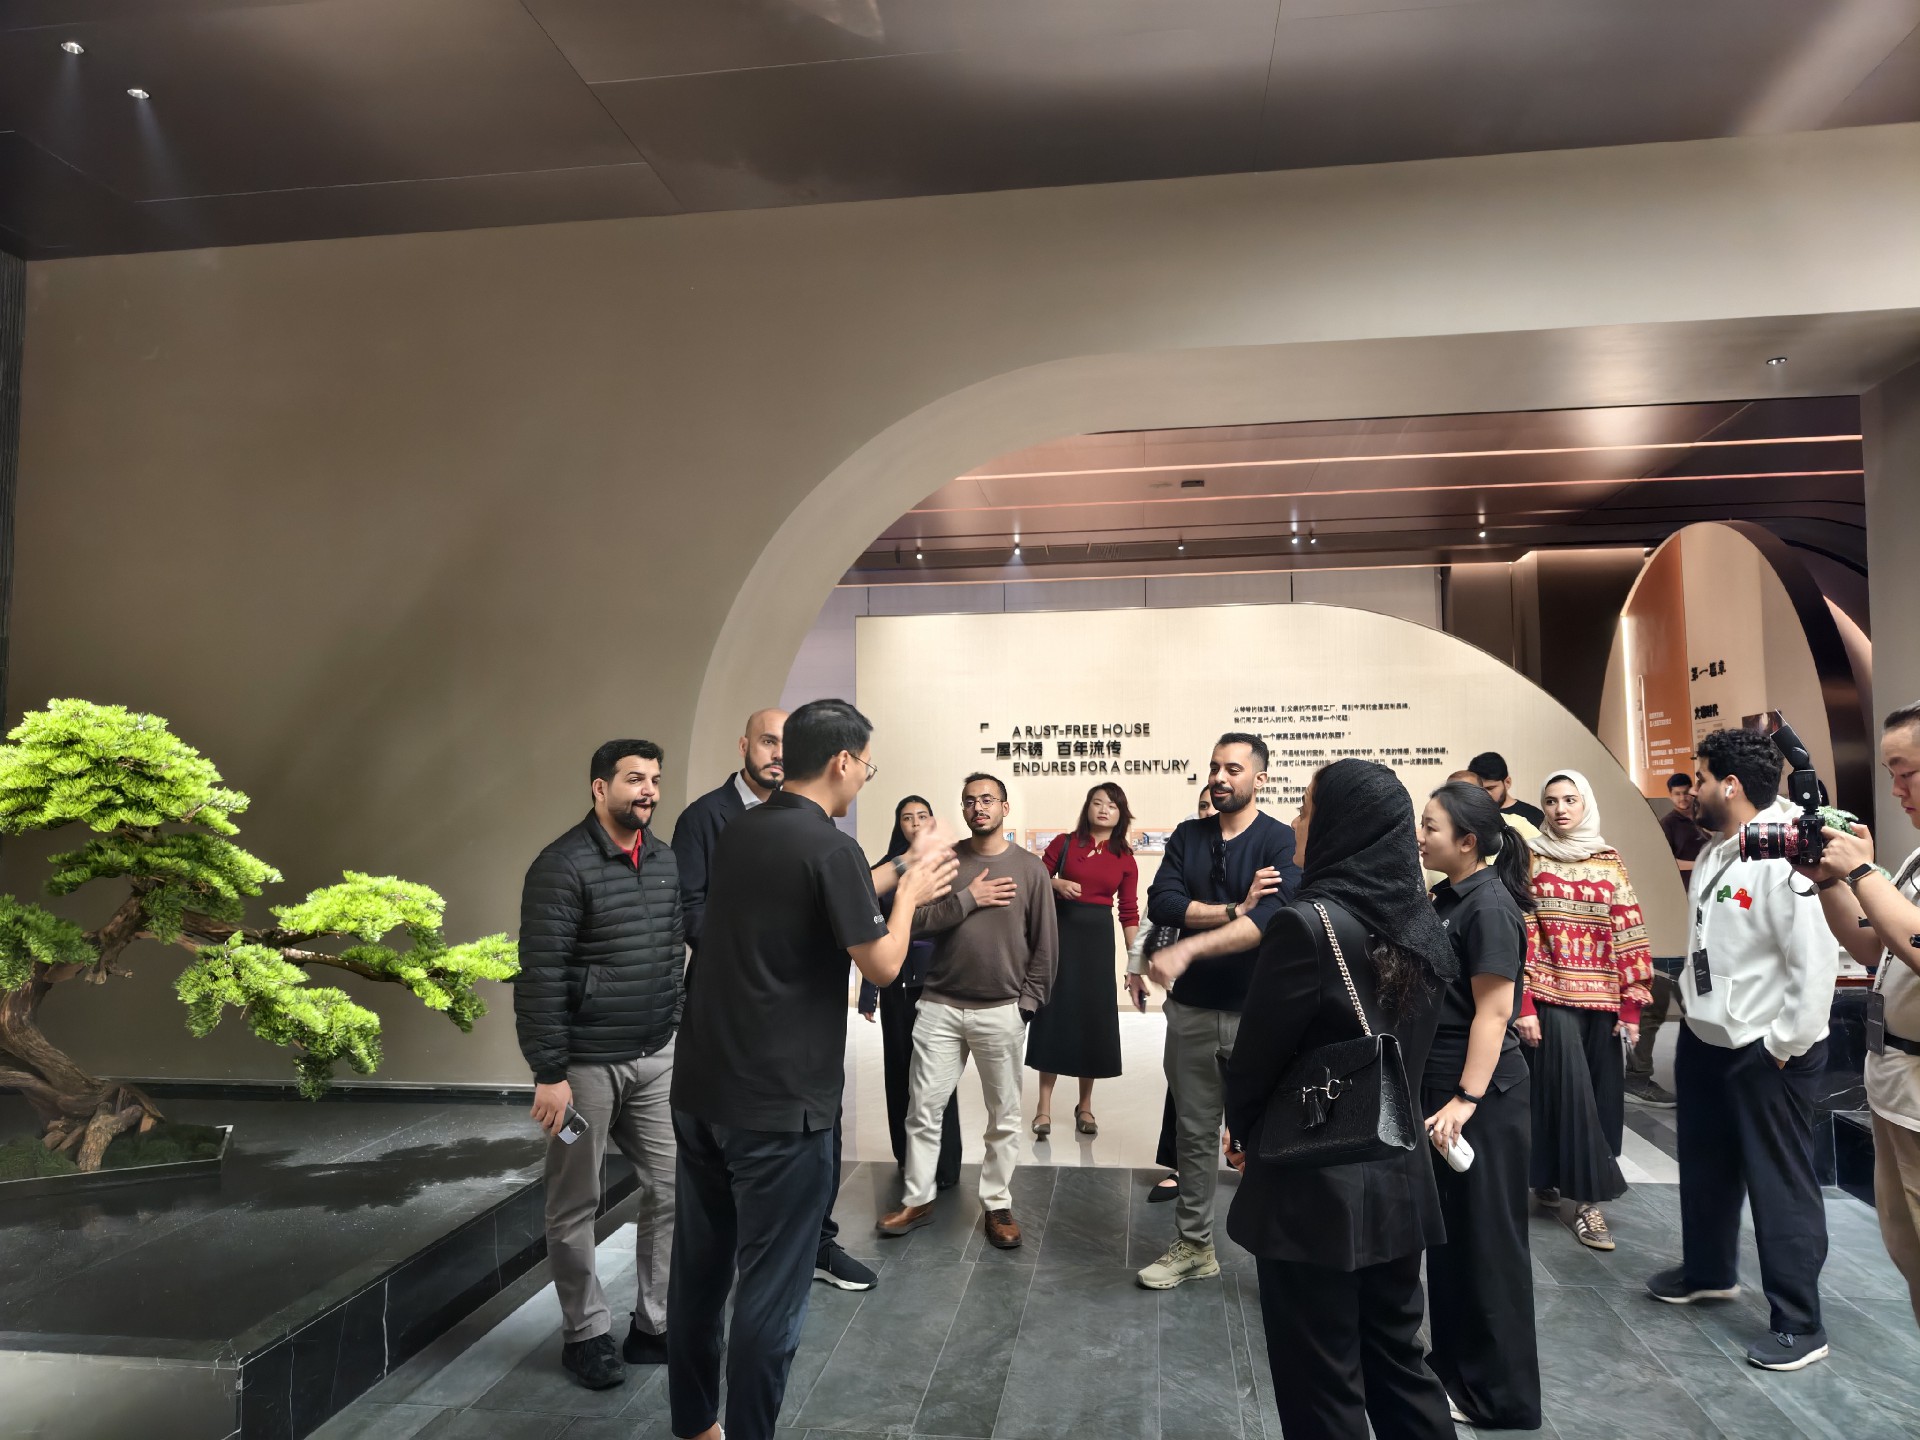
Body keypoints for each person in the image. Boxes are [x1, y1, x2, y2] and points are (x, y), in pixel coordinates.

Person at [666, 699, 956, 1440]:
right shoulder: (829, 848)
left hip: (701, 1085)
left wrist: (899, 866)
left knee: (700, 1271)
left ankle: (696, 1424)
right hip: (779, 1105)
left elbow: (820, 899)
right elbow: (882, 965)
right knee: (771, 1293)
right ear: (842, 761)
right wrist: (911, 894)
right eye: (866, 767)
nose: (863, 778)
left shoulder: (737, 829)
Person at [1222, 759, 1457, 1440]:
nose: (1296, 821)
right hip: (1398, 1172)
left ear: (1340, 825)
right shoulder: (1419, 921)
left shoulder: (1308, 925)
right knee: (1397, 1361)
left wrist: (1244, 1133)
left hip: (1314, 1179)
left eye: (1305, 808)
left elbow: (1257, 1060)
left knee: (1320, 1379)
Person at [1644, 727, 1838, 1371]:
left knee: (1780, 1183)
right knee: (1704, 1165)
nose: (1690, 790)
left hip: (1767, 1047)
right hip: (1708, 1037)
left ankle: (1800, 1323)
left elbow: (1815, 963)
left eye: (1699, 778)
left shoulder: (1790, 853)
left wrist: (1784, 1045)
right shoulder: (1716, 849)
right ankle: (1707, 1271)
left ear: (1729, 785)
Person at [670, 707, 874, 1292]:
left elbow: (809, 897)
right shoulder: (717, 821)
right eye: (767, 741)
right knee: (767, 1279)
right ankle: (789, 1253)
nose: (777, 753)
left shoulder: (780, 833)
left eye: (786, 742)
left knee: (711, 1266)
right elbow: (694, 910)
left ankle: (817, 1243)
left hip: (769, 1053)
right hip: (752, 1054)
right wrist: (908, 893)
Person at [515, 740, 684, 1390]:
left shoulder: (663, 860)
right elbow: (541, 975)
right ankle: (584, 1334)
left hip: (655, 1058)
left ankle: (654, 1325)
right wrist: (549, 1072)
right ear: (599, 788)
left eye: (655, 780)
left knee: (674, 1186)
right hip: (584, 1069)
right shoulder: (561, 865)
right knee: (574, 1200)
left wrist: (673, 1020)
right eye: (635, 779)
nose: (649, 791)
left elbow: (672, 951)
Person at [1137, 734, 1299, 1288]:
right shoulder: (1189, 835)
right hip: (1192, 1011)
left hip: (1259, 1014)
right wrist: (1234, 907)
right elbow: (1163, 902)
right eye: (1214, 768)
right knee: (1196, 1134)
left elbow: (1272, 918)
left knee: (1272, 1136)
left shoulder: (1280, 839)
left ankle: (1284, 1252)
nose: (1219, 778)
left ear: (1260, 778)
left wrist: (1196, 932)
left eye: (1233, 768)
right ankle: (1194, 1246)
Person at [877, 773, 1057, 1249]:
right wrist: (967, 900)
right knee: (923, 1110)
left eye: (987, 799)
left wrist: (1027, 1005)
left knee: (1003, 1116)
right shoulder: (946, 861)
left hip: (1002, 1009)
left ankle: (997, 1204)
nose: (979, 807)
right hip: (939, 1005)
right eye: (970, 801)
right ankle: (918, 1198)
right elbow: (913, 922)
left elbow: (1045, 945)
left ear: (1004, 808)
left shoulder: (1030, 869)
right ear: (962, 809)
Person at [1417, 781, 1542, 1430]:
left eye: (1431, 827)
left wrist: (1465, 1098)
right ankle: (1455, 1372)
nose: (1420, 837)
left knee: (1488, 1246)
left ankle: (1500, 1397)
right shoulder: (1449, 896)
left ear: (1467, 841)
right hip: (1446, 1093)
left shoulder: (1489, 907)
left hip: (1479, 1101)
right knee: (1454, 1243)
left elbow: (1494, 1014)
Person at [1796, 701, 1920, 1330]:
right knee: (1908, 1251)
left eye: (1907, 773)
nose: (1896, 791)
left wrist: (1863, 870)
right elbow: (1873, 946)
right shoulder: (1917, 860)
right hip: (1894, 1087)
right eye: (1891, 775)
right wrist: (1828, 881)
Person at [1519, 769, 1652, 1251]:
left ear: (1585, 803)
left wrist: (1631, 1007)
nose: (1560, 809)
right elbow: (1522, 931)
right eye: (1551, 800)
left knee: (1599, 1097)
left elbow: (1628, 927)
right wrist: (1524, 1003)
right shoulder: (1529, 857)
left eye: (1570, 799)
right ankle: (1587, 1204)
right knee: (1566, 1094)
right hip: (1550, 995)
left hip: (1604, 1000)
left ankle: (1554, 1179)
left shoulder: (1608, 860)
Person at [857, 795, 962, 1190]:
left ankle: (945, 1166)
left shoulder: (949, 863)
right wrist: (869, 992)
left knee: (939, 1075)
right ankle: (907, 1158)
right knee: (900, 1071)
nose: (915, 823)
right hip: (897, 983)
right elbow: (870, 932)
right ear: (898, 825)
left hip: (939, 983)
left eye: (922, 816)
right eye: (907, 817)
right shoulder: (885, 869)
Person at [1029, 783, 1140, 1138]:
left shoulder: (1125, 858)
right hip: (1060, 937)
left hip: (1097, 942)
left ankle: (1085, 1105)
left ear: (1121, 814)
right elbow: (1035, 878)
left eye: (1112, 805)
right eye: (1097, 803)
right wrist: (1057, 885)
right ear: (1087, 808)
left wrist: (1134, 962)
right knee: (1053, 1016)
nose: (1104, 809)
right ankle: (1043, 1107)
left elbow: (1128, 912)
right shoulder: (1064, 843)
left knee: (1092, 1019)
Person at [1140, 790, 1216, 1204]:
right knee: (1186, 1089)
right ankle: (1181, 1166)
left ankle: (1249, 1161)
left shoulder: (1265, 844)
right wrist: (1137, 964)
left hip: (1243, 988)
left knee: (1245, 1087)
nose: (1209, 810)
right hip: (1189, 988)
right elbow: (1159, 908)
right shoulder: (1186, 844)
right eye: (1203, 805)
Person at [1627, 772, 1704, 1110]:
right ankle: (1637, 1078)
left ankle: (1703, 1078)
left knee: (1699, 1009)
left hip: (1699, 929)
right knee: (1653, 1008)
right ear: (1670, 795)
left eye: (1688, 792)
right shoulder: (1667, 825)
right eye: (1678, 793)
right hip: (1668, 928)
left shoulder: (1706, 821)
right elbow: (1664, 864)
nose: (1684, 798)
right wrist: (1703, 863)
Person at [1470, 751, 1546, 829]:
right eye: (1479, 789)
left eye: (1490, 788)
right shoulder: (1470, 815)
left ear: (1507, 782)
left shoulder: (1533, 815)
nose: (1485, 794)